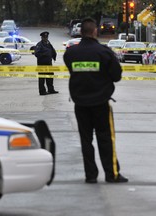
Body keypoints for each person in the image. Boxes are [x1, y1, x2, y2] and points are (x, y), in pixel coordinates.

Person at [63, 17, 128, 184]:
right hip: (101, 103)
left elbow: (72, 69)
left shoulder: (71, 53)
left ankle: (90, 175)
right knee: (106, 139)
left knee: (86, 140)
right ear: (95, 31)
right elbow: (116, 76)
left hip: (80, 104)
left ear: (80, 32)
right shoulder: (104, 52)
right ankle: (112, 174)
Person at [34, 31, 59, 96]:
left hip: (49, 63)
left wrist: (54, 56)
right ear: (42, 37)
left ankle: (51, 89)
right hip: (42, 64)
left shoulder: (48, 44)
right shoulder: (39, 44)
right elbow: (36, 53)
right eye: (44, 37)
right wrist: (45, 55)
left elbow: (52, 50)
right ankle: (42, 91)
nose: (46, 38)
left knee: (50, 76)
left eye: (46, 37)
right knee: (42, 78)